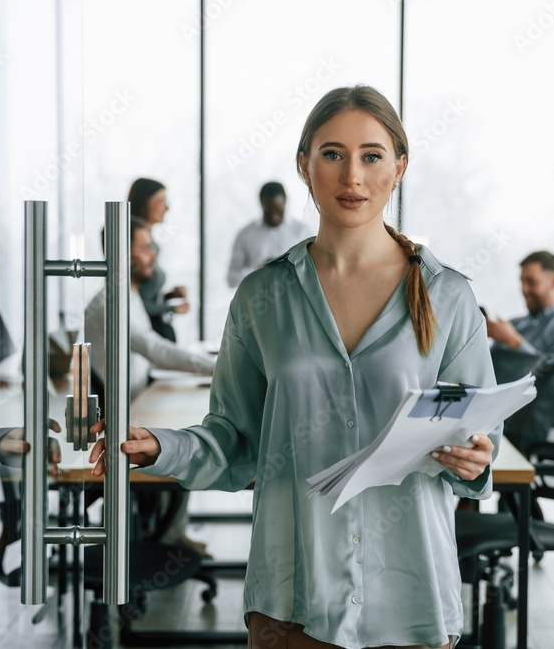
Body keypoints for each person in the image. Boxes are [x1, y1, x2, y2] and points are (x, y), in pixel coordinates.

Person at [90, 85, 500, 649]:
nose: (351, 175)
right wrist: (161, 448)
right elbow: (235, 442)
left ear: (399, 167)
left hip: (412, 603)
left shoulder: (449, 296)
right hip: (291, 604)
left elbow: (478, 444)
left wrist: (475, 459)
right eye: (332, 154)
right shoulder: (263, 296)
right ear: (304, 166)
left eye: (371, 155)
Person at [84, 219, 215, 399]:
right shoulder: (108, 305)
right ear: (124, 255)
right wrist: (218, 368)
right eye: (145, 248)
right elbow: (156, 350)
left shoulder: (130, 295)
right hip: (122, 416)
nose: (153, 257)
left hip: (138, 403)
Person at [484, 250, 554, 368]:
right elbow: (486, 368)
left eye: (531, 282)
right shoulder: (513, 324)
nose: (524, 289)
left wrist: (514, 342)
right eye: (522, 282)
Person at [128, 178, 189, 342]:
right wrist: (172, 307)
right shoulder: (128, 242)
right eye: (161, 201)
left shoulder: (153, 247)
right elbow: (134, 302)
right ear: (144, 203)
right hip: (147, 334)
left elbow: (146, 296)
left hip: (157, 331)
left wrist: (169, 296)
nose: (167, 207)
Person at [226, 181, 313, 287]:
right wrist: (259, 270)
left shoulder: (303, 232)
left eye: (278, 211)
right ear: (261, 204)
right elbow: (231, 280)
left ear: (285, 202)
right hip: (256, 300)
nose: (273, 217)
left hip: (294, 300)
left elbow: (313, 274)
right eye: (269, 212)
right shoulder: (245, 235)